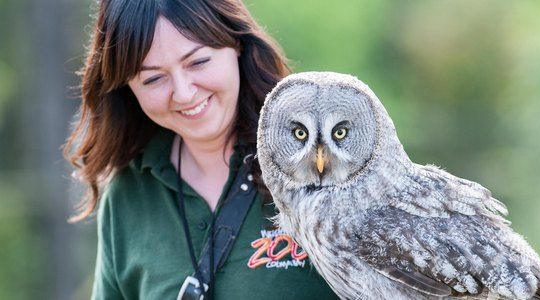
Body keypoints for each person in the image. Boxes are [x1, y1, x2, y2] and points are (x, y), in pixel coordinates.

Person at [65, 0, 338, 299]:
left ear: (235, 43)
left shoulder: (327, 161)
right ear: (127, 87)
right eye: (154, 78)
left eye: (197, 62)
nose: (183, 93)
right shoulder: (128, 195)